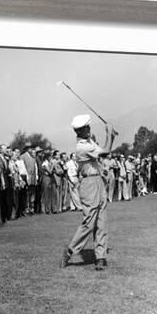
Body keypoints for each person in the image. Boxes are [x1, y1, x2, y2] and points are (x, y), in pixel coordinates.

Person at [60, 114, 117, 271]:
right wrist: (109, 134)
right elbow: (105, 152)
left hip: (98, 181)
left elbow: (103, 150)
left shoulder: (89, 142)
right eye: (86, 128)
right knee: (89, 222)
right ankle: (70, 251)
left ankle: (100, 257)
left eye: (88, 127)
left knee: (102, 221)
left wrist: (109, 135)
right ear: (79, 131)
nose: (88, 130)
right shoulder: (82, 147)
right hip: (88, 184)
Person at [21, 144, 38, 215]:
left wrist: (36, 177)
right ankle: (27, 208)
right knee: (27, 194)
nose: (31, 149)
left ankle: (32, 207)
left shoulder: (33, 156)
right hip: (27, 178)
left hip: (33, 178)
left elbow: (35, 168)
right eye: (30, 148)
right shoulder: (23, 156)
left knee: (32, 193)